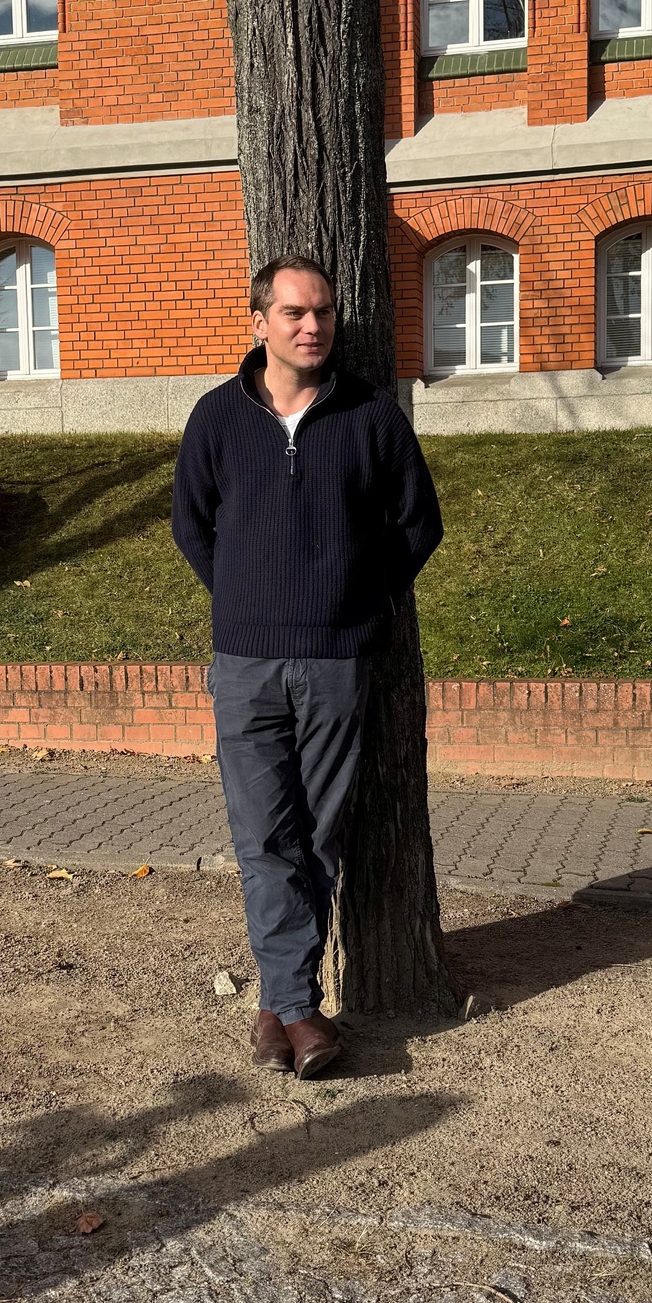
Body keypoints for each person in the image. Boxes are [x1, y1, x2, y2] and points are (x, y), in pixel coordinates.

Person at [170, 256, 444, 1079]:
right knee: (264, 840)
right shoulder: (216, 419)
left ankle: (277, 1008)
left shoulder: (372, 417)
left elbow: (417, 525)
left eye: (322, 313)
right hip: (245, 664)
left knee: (318, 839)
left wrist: (356, 601)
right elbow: (192, 525)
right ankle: (298, 1010)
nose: (311, 326)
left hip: (337, 662)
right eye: (292, 313)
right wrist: (249, 598)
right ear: (259, 323)